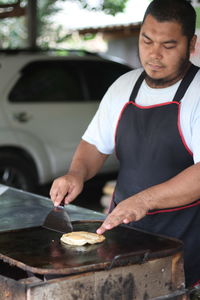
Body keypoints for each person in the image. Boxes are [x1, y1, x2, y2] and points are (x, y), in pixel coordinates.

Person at [50, 0, 200, 287]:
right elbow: (94, 145)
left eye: (168, 46)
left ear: (191, 44)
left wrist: (144, 200)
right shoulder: (123, 86)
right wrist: (76, 173)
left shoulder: (198, 92)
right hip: (122, 233)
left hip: (184, 239)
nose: (154, 54)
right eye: (146, 41)